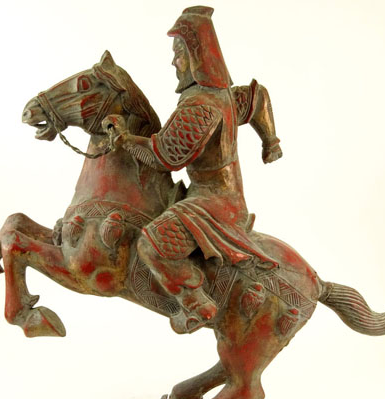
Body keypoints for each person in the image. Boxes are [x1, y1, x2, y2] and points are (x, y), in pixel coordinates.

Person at [106, 6, 277, 334]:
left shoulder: (200, 107)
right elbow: (258, 99)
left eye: (180, 53)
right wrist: (271, 141)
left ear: (198, 57)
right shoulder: (225, 96)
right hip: (222, 197)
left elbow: (166, 156)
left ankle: (198, 305)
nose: (174, 62)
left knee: (150, 245)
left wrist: (125, 139)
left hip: (211, 203)